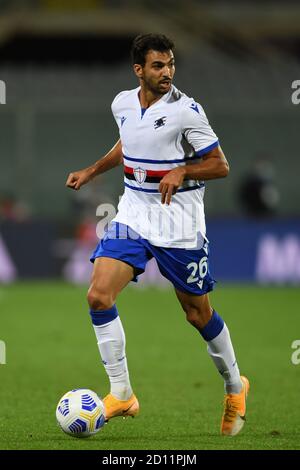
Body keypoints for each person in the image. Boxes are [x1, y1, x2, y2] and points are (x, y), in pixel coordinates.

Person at [66, 33, 249, 436]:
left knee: (196, 313)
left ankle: (235, 386)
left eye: (170, 64)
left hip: (179, 223)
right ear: (139, 70)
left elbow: (220, 165)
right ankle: (122, 394)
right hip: (134, 212)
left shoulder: (187, 111)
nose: (167, 72)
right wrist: (92, 170)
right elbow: (128, 143)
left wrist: (183, 170)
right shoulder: (122, 102)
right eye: (158, 66)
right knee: (98, 295)